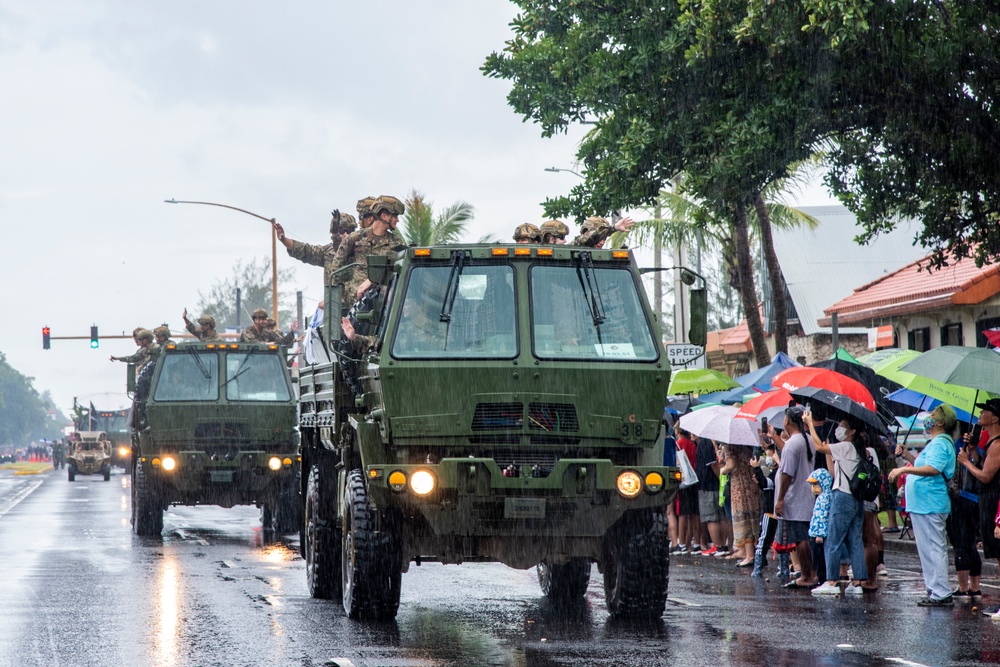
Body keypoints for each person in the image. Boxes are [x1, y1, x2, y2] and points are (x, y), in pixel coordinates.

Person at [889, 404, 958, 607]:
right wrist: (908, 457)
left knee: (933, 548)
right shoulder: (934, 442)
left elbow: (933, 469)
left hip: (930, 503)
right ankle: (935, 589)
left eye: (933, 416)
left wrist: (903, 470)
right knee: (927, 549)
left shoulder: (939, 443)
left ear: (940, 422)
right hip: (923, 504)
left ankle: (941, 591)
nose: (928, 418)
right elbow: (922, 464)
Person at [806, 413, 871, 595]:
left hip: (842, 498)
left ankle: (832, 580)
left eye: (843, 426)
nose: (838, 429)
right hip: (856, 499)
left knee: (833, 540)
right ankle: (857, 582)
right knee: (855, 540)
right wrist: (830, 451)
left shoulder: (845, 446)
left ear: (851, 431)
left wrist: (810, 423)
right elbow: (834, 472)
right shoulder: (858, 449)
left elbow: (818, 447)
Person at [325, 194, 406, 311]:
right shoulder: (354, 238)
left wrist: (372, 281)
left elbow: (400, 270)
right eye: (395, 216)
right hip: (354, 306)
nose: (397, 220)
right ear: (384, 216)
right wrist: (343, 295)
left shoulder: (396, 243)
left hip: (383, 308)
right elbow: (336, 270)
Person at [769, 405, 817, 583]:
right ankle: (811, 572)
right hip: (806, 496)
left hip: (794, 498)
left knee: (800, 539)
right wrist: (774, 437)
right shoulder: (808, 440)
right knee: (804, 536)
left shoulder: (792, 444)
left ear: (787, 421)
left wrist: (780, 499)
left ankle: (807, 575)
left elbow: (787, 474)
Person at [958, 397, 1000, 570]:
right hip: (986, 499)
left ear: (995, 418)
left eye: (985, 411)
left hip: (993, 498)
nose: (981, 413)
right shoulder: (990, 441)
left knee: (999, 550)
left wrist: (966, 462)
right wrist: (973, 449)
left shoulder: (997, 445)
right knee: (996, 551)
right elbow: (983, 463)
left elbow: (986, 476)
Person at [274, 210, 358, 287]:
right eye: (342, 231)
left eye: (349, 231)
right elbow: (306, 251)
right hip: (333, 301)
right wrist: (284, 240)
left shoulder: (359, 251)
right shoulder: (328, 252)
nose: (345, 235)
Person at [720, 443, 761, 567]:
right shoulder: (746, 444)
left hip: (739, 485)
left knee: (743, 518)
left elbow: (731, 465)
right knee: (752, 517)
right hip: (751, 481)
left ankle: (749, 556)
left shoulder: (729, 445)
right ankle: (755, 554)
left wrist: (722, 470)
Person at [697, 435, 729, 557]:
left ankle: (718, 546)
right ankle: (725, 546)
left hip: (708, 485)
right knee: (722, 517)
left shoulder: (705, 442)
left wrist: (720, 479)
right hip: (716, 486)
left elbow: (714, 465)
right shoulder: (719, 441)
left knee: (711, 517)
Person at [806, 468, 833, 589]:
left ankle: (822, 578)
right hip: (816, 532)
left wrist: (820, 534)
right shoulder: (822, 497)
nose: (814, 487)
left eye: (815, 484)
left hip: (818, 535)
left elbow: (822, 517)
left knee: (819, 558)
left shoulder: (824, 498)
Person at [570, 216, 635, 248]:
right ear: (586, 233)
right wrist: (614, 228)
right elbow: (590, 237)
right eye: (600, 238)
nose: (602, 243)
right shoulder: (574, 246)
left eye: (604, 238)